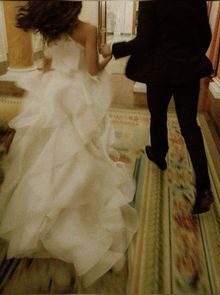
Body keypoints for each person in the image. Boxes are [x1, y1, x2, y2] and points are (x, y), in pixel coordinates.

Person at [0, 0, 138, 288]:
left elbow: (46, 68)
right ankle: (75, 225)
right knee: (78, 153)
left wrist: (44, 94)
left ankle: (40, 219)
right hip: (76, 95)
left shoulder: (50, 32)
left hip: (53, 94)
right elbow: (91, 71)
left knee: (43, 154)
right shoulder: (88, 30)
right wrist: (108, 59)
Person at [101, 0, 214, 215]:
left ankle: (160, 155)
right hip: (188, 70)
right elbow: (205, 35)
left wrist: (113, 48)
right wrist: (189, 56)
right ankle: (204, 188)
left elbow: (144, 41)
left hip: (160, 70)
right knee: (189, 125)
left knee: (158, 115)